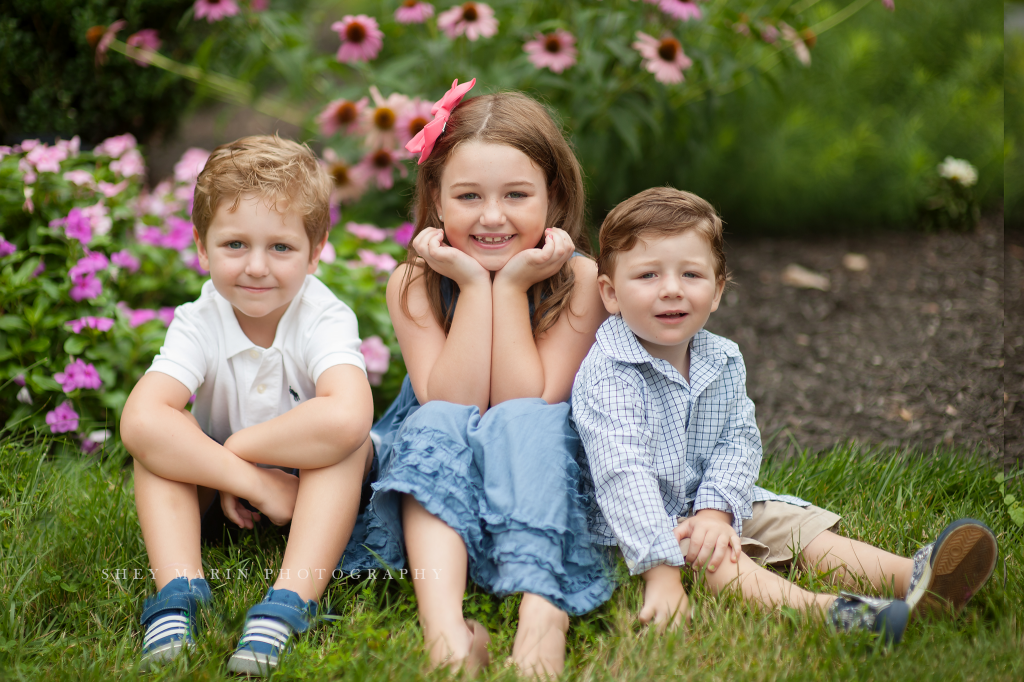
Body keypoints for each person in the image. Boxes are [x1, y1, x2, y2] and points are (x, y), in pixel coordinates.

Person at [571, 186, 998, 643]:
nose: (671, 289)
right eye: (648, 275)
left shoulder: (721, 358)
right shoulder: (610, 375)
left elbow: (737, 441)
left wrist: (716, 511)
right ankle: (835, 614)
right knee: (716, 559)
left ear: (717, 291)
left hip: (708, 502)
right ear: (611, 294)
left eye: (691, 274)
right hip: (637, 529)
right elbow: (623, 476)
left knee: (794, 527)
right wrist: (661, 573)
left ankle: (918, 579)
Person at [341, 79, 613, 677]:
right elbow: (453, 402)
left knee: (528, 419)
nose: (492, 217)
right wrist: (471, 284)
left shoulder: (583, 280)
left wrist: (512, 285)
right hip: (441, 475)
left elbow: (525, 403)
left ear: (554, 195)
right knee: (435, 418)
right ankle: (446, 636)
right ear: (436, 201)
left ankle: (544, 613)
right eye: (468, 197)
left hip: (541, 472)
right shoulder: (415, 281)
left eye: (517, 194)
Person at [120, 135, 375, 675]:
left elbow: (349, 414)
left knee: (346, 447)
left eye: (280, 248)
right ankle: (178, 592)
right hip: (228, 488)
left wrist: (241, 447)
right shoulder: (200, 318)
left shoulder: (323, 316)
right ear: (201, 245)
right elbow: (141, 419)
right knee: (158, 444)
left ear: (316, 250)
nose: (256, 267)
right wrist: (251, 479)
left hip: (318, 492)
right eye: (235, 245)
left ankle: (288, 602)